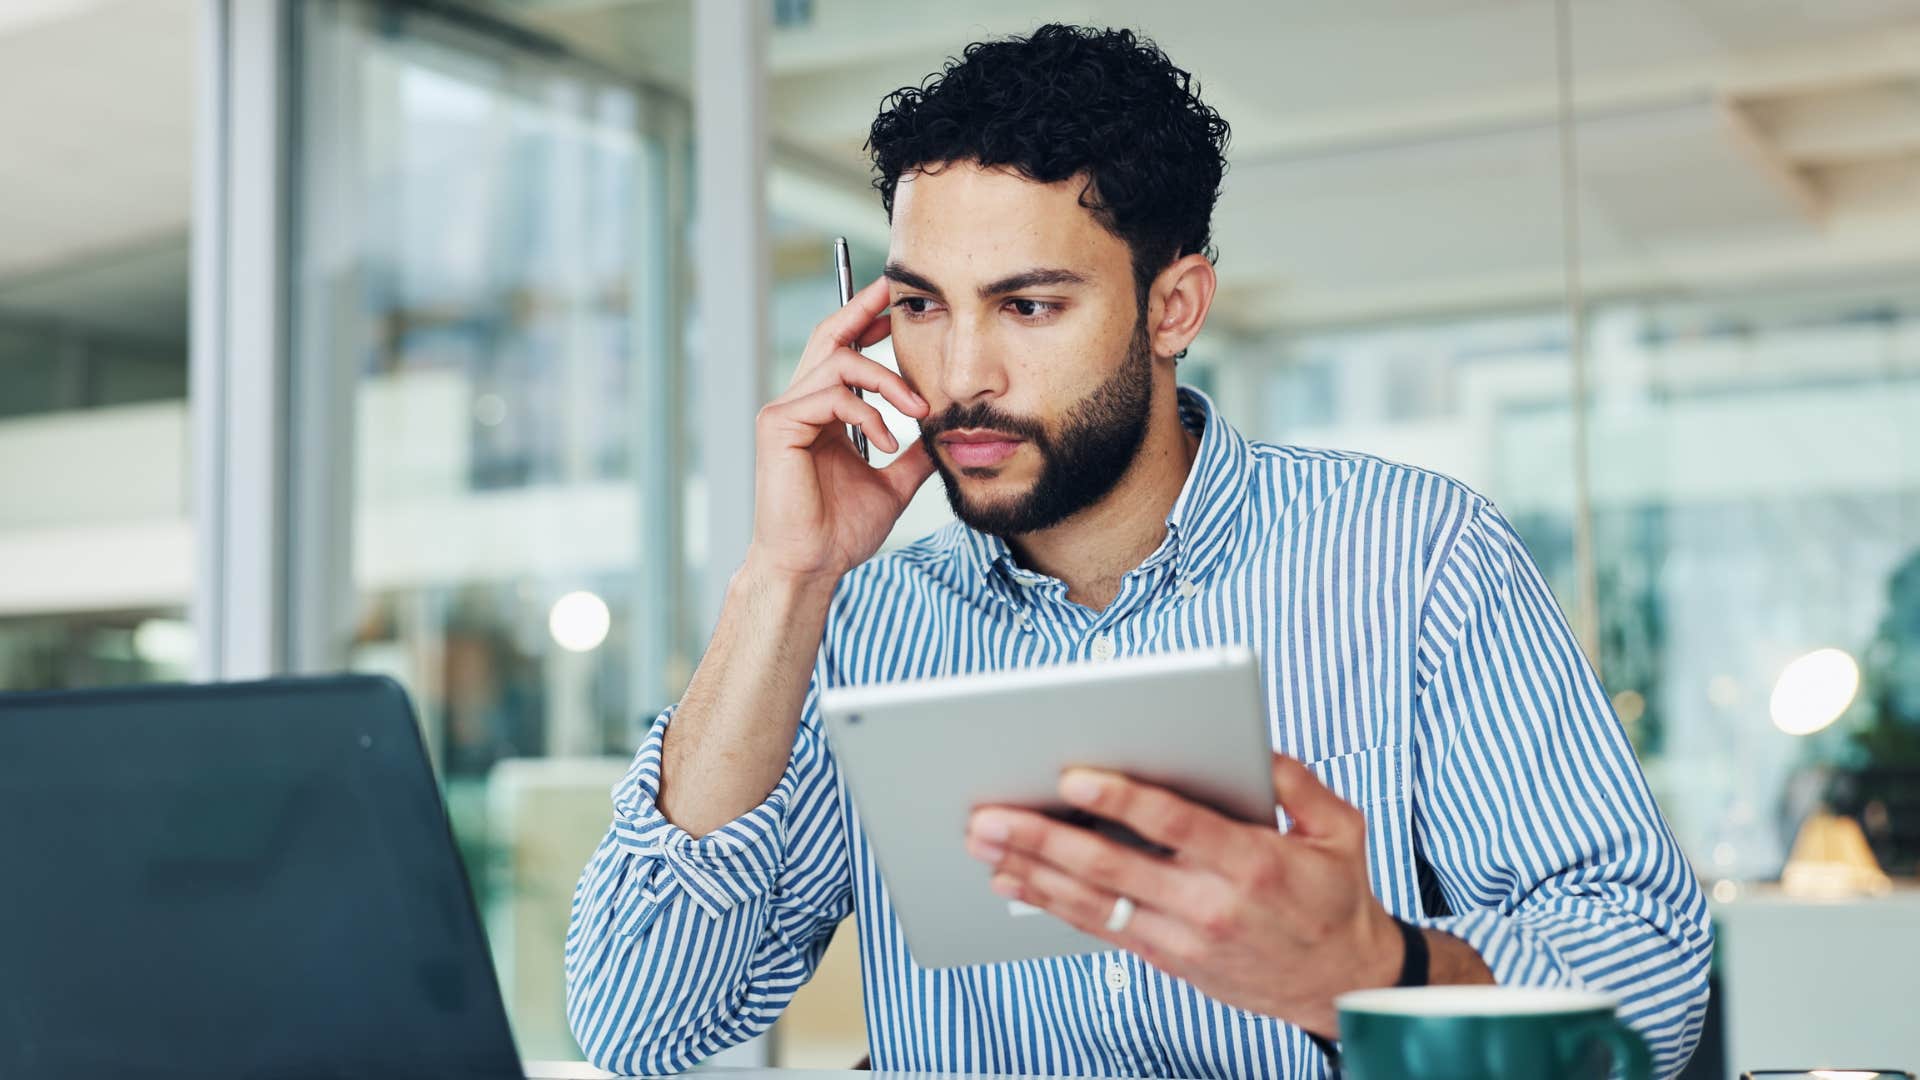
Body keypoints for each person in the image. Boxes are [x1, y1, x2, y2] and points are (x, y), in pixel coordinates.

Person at [564, 23, 1712, 1079]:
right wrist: (785, 578)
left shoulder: (1416, 559)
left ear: (1173, 308)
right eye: (921, 307)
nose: (961, 376)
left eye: (1028, 308)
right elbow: (639, 1020)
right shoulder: (858, 622)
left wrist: (1374, 968)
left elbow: (1650, 982)